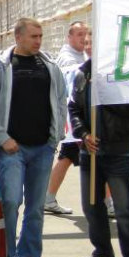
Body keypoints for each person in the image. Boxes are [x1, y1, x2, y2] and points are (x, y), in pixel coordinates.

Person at [0, 18, 67, 257]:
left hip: (42, 148)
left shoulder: (50, 67)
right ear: (18, 37)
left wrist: (56, 136)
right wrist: (2, 138)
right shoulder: (0, 66)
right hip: (12, 149)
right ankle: (4, 256)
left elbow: (61, 101)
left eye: (41, 36)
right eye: (34, 36)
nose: (39, 41)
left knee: (36, 207)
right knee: (10, 200)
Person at [68, 33, 129, 257]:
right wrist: (84, 133)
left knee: (124, 207)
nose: (88, 47)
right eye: (85, 43)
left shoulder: (122, 75)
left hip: (118, 151)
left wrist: (104, 97)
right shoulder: (82, 74)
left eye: (92, 43)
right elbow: (74, 108)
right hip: (90, 152)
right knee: (91, 205)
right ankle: (102, 253)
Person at [45, 21, 89, 215]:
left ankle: (48, 198)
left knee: (68, 156)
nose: (83, 37)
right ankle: (107, 202)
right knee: (71, 156)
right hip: (75, 119)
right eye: (79, 34)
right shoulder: (67, 57)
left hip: (82, 117)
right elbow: (76, 78)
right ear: (69, 37)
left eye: (85, 34)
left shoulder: (83, 55)